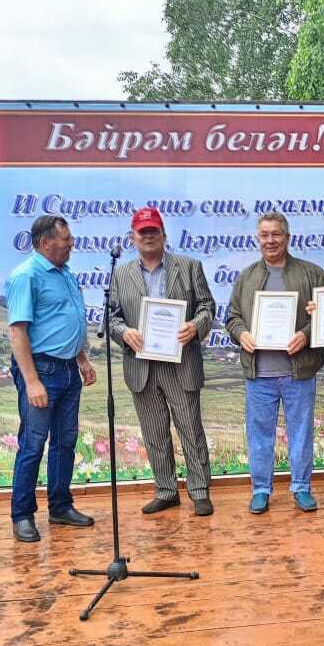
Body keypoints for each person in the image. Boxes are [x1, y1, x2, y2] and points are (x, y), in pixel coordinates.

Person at [109, 206, 216, 517]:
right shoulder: (120, 274)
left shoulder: (189, 266)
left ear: (164, 235)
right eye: (143, 232)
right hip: (141, 366)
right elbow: (111, 316)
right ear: (133, 238)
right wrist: (124, 332)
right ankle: (166, 490)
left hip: (180, 364)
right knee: (154, 431)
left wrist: (196, 326)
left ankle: (199, 491)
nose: (149, 236)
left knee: (190, 429)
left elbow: (207, 306)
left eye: (154, 231)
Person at [225, 212, 324, 514]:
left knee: (301, 432)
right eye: (265, 235)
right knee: (259, 435)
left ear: (288, 237)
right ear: (258, 239)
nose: (270, 240)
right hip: (260, 373)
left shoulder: (313, 274)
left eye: (276, 234)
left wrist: (307, 335)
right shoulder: (246, 277)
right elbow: (232, 318)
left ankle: (301, 488)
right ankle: (260, 489)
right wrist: (241, 333)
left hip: (299, 371)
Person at [5, 216, 97, 543]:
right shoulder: (26, 276)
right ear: (46, 243)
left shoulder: (65, 274)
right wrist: (31, 381)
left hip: (69, 370)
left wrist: (82, 359)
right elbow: (17, 331)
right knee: (32, 443)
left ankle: (60, 505)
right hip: (41, 371)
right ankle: (22, 514)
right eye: (66, 238)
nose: (72, 243)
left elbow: (68, 321)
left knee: (65, 441)